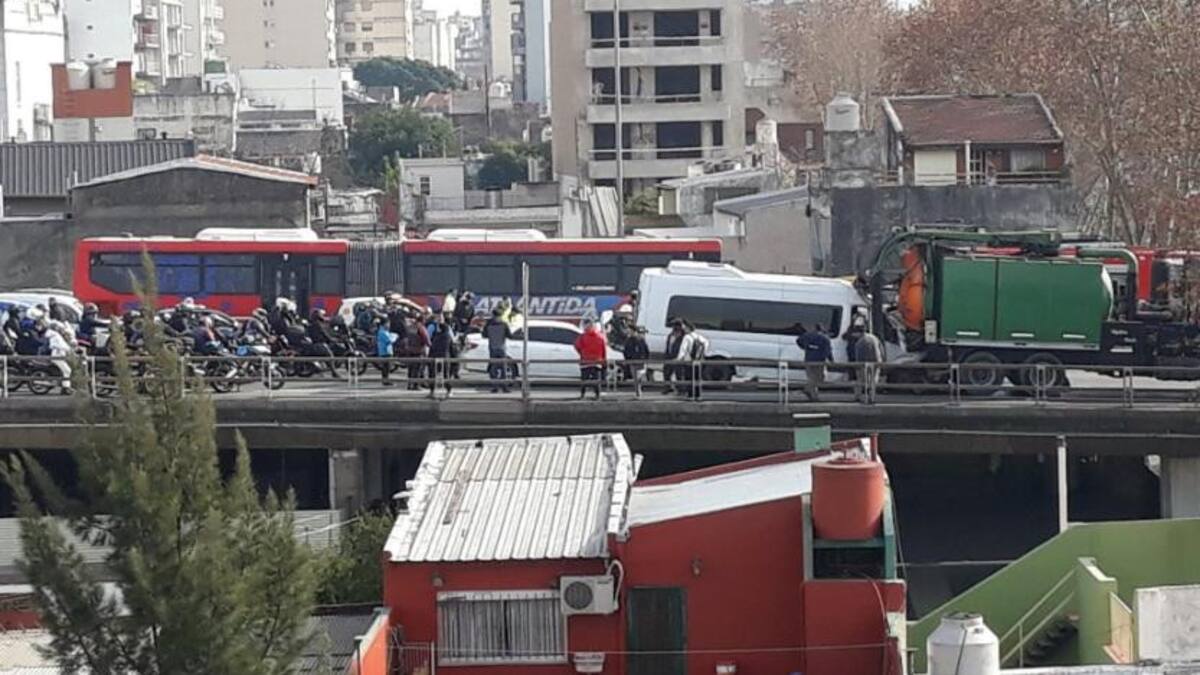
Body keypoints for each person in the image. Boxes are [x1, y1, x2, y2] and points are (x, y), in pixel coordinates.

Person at [847, 320, 883, 402]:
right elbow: (881, 349)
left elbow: (859, 356)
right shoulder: (874, 337)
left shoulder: (860, 342)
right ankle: (871, 397)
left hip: (865, 364)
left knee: (860, 380)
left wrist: (857, 367)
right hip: (876, 362)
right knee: (872, 381)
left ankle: (858, 397)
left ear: (858, 333)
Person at [796, 324, 833, 402]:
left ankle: (809, 391)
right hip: (819, 362)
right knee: (819, 378)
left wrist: (805, 347)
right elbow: (828, 351)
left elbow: (798, 340)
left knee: (811, 378)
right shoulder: (825, 338)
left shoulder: (807, 335)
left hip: (808, 360)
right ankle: (813, 396)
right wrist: (831, 361)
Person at [574, 318, 608, 400]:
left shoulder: (583, 337)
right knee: (596, 379)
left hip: (585, 361)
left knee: (584, 379)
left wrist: (582, 353)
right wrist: (604, 360)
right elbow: (604, 350)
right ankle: (597, 395)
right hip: (597, 361)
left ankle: (583, 395)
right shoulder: (600, 337)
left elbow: (577, 346)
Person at [676, 323, 710, 400]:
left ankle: (691, 395)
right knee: (697, 378)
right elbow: (706, 343)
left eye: (685, 328)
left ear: (688, 328)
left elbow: (683, 349)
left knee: (689, 378)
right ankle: (698, 395)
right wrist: (702, 354)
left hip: (689, 361)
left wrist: (678, 359)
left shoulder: (687, 337)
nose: (683, 329)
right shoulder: (698, 336)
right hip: (698, 361)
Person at [484, 307, 513, 393]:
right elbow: (510, 336)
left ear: (493, 315)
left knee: (493, 368)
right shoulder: (504, 324)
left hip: (492, 348)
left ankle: (495, 387)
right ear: (500, 315)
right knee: (503, 368)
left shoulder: (488, 324)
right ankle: (504, 387)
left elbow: (484, 335)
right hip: (501, 348)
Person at [427, 313, 457, 397]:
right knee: (444, 374)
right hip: (445, 356)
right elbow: (452, 344)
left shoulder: (438, 336)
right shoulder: (446, 335)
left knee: (434, 374)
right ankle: (448, 391)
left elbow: (431, 344)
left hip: (436, 356)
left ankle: (433, 392)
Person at [662, 319, 686, 394]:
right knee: (667, 373)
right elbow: (668, 346)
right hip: (669, 356)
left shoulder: (683, 337)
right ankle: (668, 387)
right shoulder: (670, 335)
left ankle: (681, 389)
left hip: (678, 357)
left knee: (679, 374)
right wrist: (666, 356)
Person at [375, 318, 397, 386]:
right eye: (388, 323)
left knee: (387, 367)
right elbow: (389, 340)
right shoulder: (382, 332)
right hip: (385, 351)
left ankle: (386, 380)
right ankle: (385, 380)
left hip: (387, 351)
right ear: (384, 324)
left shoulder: (384, 331)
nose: (389, 325)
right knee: (386, 367)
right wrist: (395, 336)